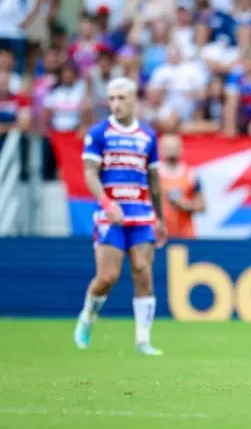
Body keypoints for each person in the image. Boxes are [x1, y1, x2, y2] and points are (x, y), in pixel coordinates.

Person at [73, 77, 167, 356]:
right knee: (108, 277)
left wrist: (160, 218)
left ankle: (142, 340)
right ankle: (87, 317)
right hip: (110, 214)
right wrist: (106, 203)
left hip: (141, 214)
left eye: (121, 98)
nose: (115, 104)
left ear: (133, 99)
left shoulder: (148, 136)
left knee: (143, 271)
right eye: (111, 99)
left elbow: (154, 180)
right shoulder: (99, 132)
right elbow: (90, 172)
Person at [158, 134, 205, 238]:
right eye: (167, 147)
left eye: (174, 147)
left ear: (181, 149)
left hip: (185, 235)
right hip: (160, 235)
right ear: (160, 150)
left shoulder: (190, 174)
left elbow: (202, 205)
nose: (171, 151)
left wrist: (185, 205)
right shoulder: (153, 175)